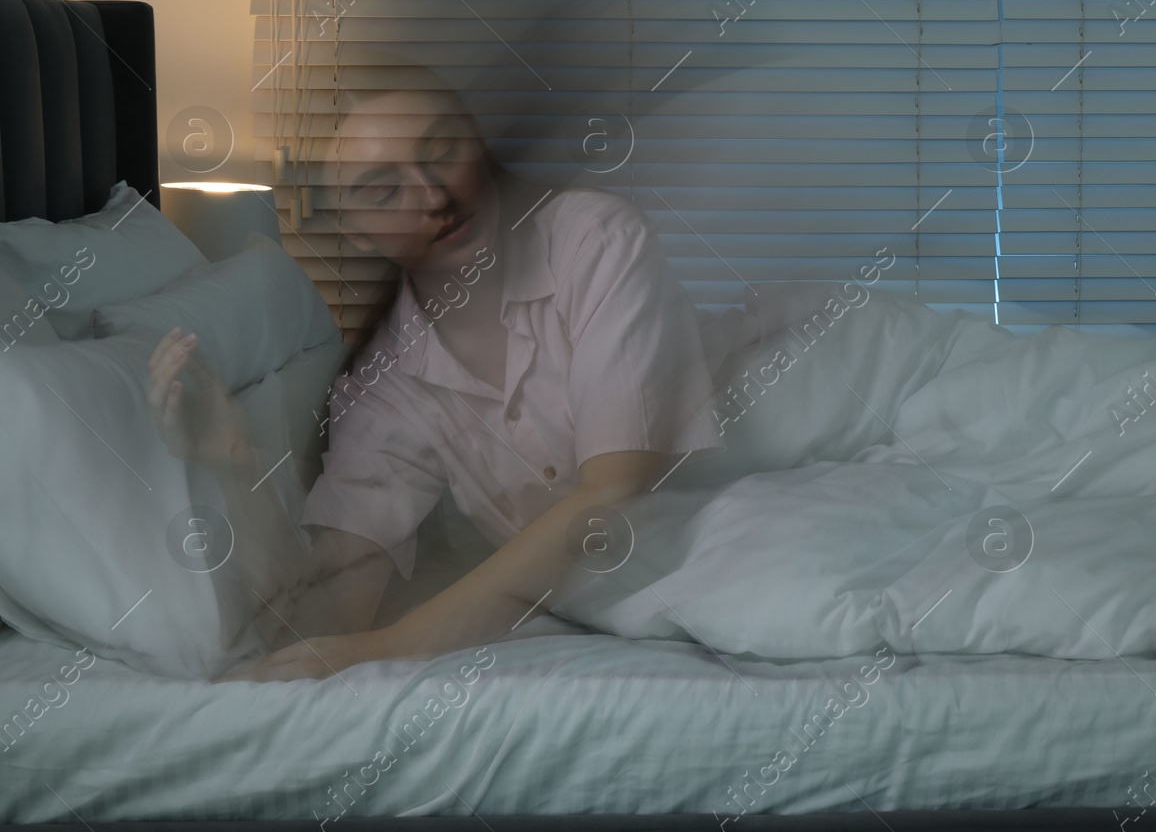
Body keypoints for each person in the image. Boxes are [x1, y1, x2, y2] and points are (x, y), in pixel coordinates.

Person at [146, 70, 724, 681]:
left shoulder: (594, 237)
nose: (433, 196)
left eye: (441, 151)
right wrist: (236, 464)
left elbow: (613, 491)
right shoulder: (383, 389)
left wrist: (390, 647)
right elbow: (326, 624)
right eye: (382, 188)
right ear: (355, 231)